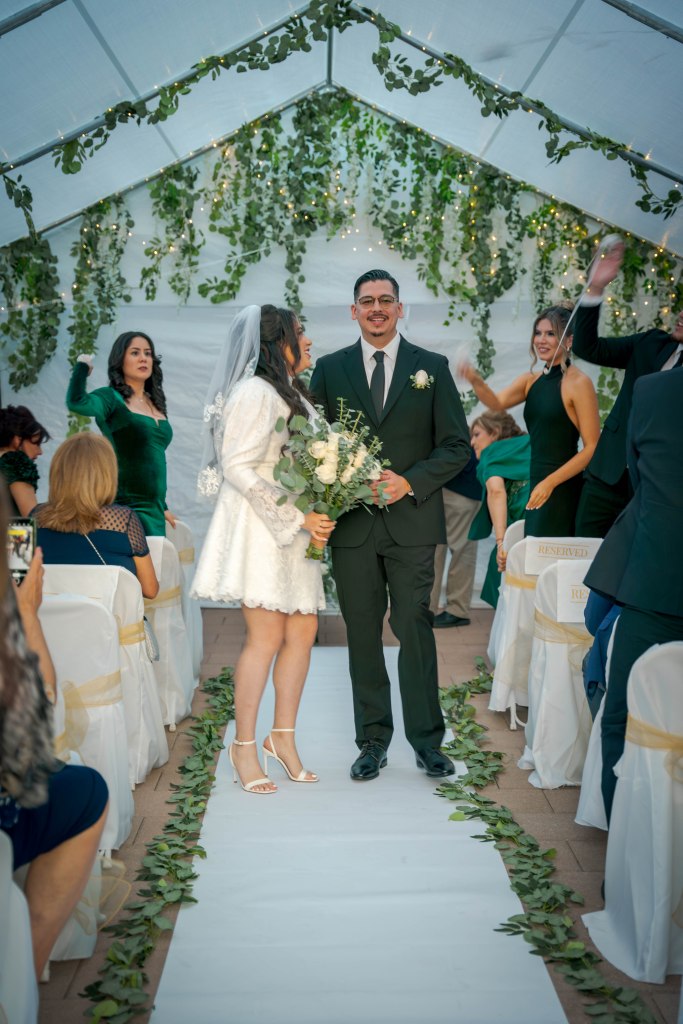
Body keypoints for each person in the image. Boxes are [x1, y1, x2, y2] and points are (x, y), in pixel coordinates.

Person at [311, 269, 470, 782]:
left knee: (414, 627)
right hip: (352, 526)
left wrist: (410, 482)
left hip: (412, 522)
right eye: (367, 301)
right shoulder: (330, 369)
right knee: (361, 632)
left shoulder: (432, 368)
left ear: (400, 309)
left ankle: (427, 742)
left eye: (385, 300)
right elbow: (312, 445)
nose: (376, 308)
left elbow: (456, 446)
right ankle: (372, 742)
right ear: (353, 311)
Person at [191, 305, 334, 795]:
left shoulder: (293, 392)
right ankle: (244, 746)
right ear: (277, 342)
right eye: (300, 332)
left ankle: (283, 738)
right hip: (263, 527)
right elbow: (237, 464)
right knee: (266, 636)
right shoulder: (254, 392)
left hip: (299, 528)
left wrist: (323, 503)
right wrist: (295, 516)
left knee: (303, 630)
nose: (308, 341)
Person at [0, 482, 109, 980]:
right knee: (86, 790)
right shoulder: (22, 542)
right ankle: (24, 973)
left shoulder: (30, 526)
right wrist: (25, 611)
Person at [584, 364, 683, 822]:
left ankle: (626, 849)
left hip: (653, 578)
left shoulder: (654, 390)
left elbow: (639, 484)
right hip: (651, 581)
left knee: (624, 719)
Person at [459, 304, 600, 537]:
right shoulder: (530, 381)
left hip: (562, 486)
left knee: (549, 553)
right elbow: (496, 403)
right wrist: (475, 380)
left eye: (550, 334)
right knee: (532, 552)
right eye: (538, 333)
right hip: (536, 481)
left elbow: (592, 447)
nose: (541, 340)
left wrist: (550, 483)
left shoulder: (578, 383)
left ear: (569, 340)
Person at [573, 244, 683, 537]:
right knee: (580, 558)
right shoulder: (651, 343)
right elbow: (588, 348)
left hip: (652, 493)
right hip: (605, 477)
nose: (681, 314)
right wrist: (596, 287)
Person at [66, 332, 175, 536]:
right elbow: (76, 402)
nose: (143, 358)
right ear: (120, 360)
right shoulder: (110, 398)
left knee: (158, 556)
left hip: (155, 509)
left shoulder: (155, 403)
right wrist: (82, 368)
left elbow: (151, 458)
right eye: (135, 353)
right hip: (125, 507)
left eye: (148, 353)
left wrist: (163, 505)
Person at [34, 433, 159, 598]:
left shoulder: (33, 517)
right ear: (107, 474)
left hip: (46, 614)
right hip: (107, 615)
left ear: (58, 472)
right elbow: (150, 590)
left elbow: (15, 581)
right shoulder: (124, 520)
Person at [467, 411, 531, 608]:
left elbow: (496, 491)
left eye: (476, 434)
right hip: (554, 520)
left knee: (500, 576)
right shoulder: (531, 443)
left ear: (494, 432)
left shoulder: (492, 453)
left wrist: (502, 542)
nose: (472, 442)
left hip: (522, 525)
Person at [430, 448, 482, 628]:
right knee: (433, 549)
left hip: (460, 482)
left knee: (461, 549)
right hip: (443, 482)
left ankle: (457, 610)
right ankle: (429, 608)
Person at [0, 405, 50, 517]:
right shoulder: (16, 463)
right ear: (17, 440)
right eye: (36, 443)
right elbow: (30, 516)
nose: (40, 451)